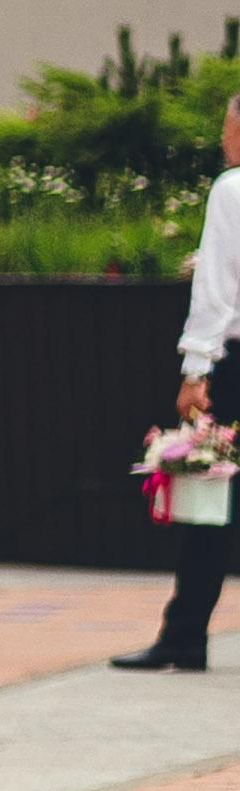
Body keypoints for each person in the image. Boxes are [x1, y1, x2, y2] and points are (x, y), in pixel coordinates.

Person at [122, 86, 240, 675]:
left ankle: (185, 635)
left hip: (235, 364)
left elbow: (218, 287)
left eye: (227, 128)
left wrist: (197, 368)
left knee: (207, 497)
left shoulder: (233, 189)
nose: (222, 141)